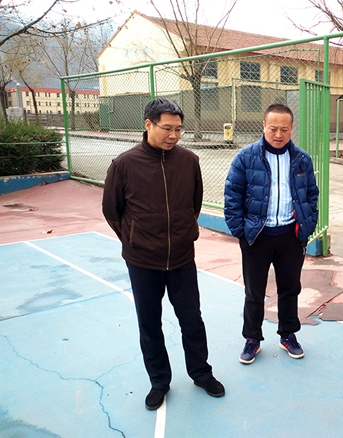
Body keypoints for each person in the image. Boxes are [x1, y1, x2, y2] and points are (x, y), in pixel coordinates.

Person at [102, 98, 224, 411]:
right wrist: (135, 240)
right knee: (150, 324)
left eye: (178, 129)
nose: (173, 135)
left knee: (192, 320)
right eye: (167, 128)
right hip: (143, 263)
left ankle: (201, 373)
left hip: (182, 259)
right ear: (148, 124)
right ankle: (159, 382)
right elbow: (112, 211)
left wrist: (183, 233)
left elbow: (194, 204)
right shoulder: (124, 165)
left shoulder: (189, 161)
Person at [224, 103, 319, 365]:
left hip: (290, 236)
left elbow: (311, 194)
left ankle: (288, 334)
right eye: (273, 128)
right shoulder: (246, 157)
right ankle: (252, 338)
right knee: (254, 291)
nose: (278, 134)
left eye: (284, 129)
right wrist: (241, 231)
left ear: (291, 128)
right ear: (264, 126)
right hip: (257, 236)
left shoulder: (302, 159)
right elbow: (232, 195)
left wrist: (307, 225)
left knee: (290, 289)